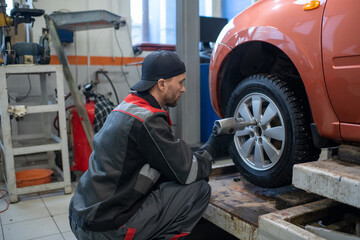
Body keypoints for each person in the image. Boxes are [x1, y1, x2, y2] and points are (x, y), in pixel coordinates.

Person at [69, 50, 230, 240]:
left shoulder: (126, 107)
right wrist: (213, 146)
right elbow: (189, 173)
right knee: (199, 189)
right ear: (162, 84)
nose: (183, 89)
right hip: (105, 228)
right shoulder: (148, 120)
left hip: (80, 214)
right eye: (180, 82)